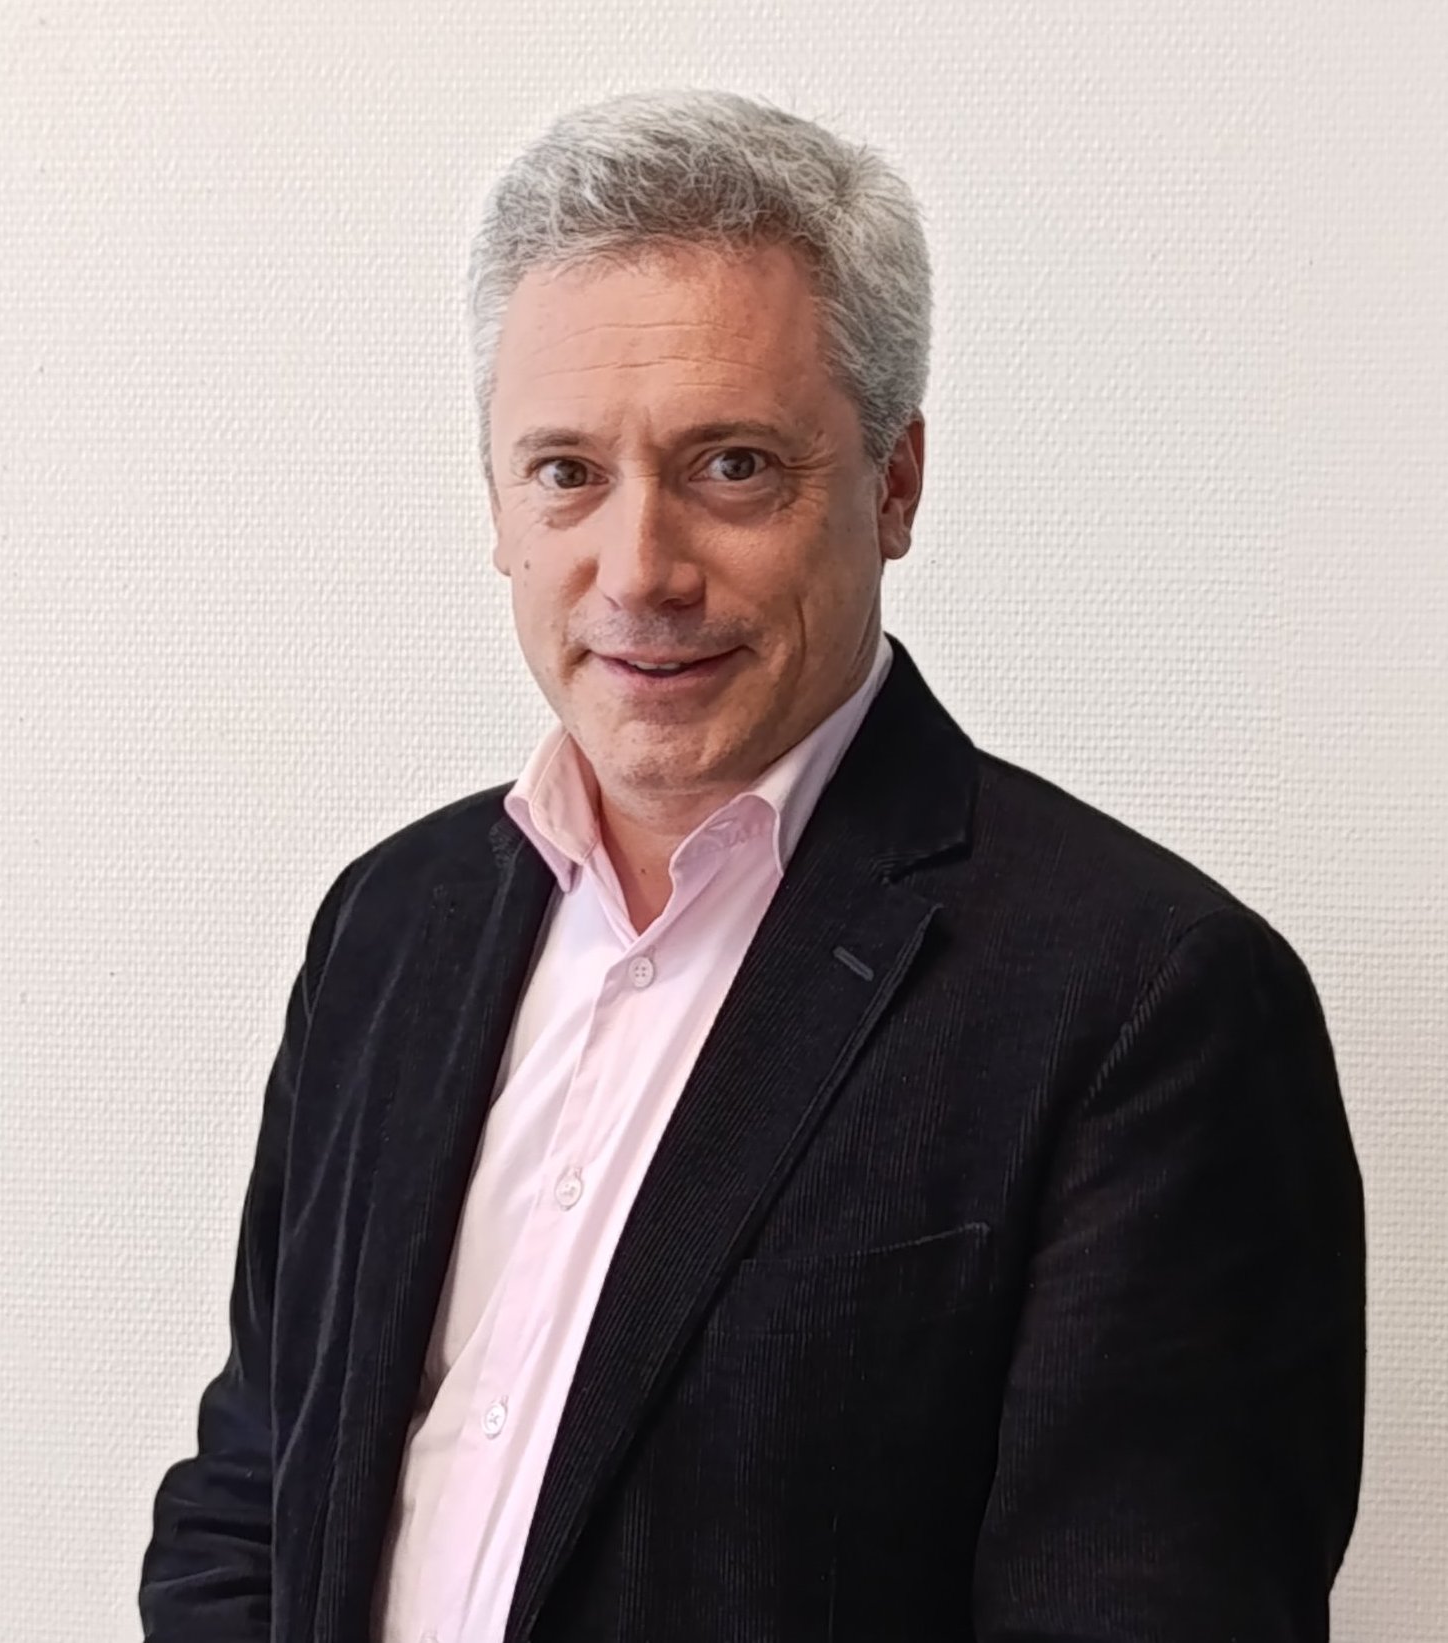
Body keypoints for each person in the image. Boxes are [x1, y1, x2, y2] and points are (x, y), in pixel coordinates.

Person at [138, 89, 1365, 1643]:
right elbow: (255, 1489)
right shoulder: (389, 925)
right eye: (567, 472)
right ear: (497, 502)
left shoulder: (1146, 1005)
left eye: (730, 466)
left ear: (894, 483)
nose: (639, 570)